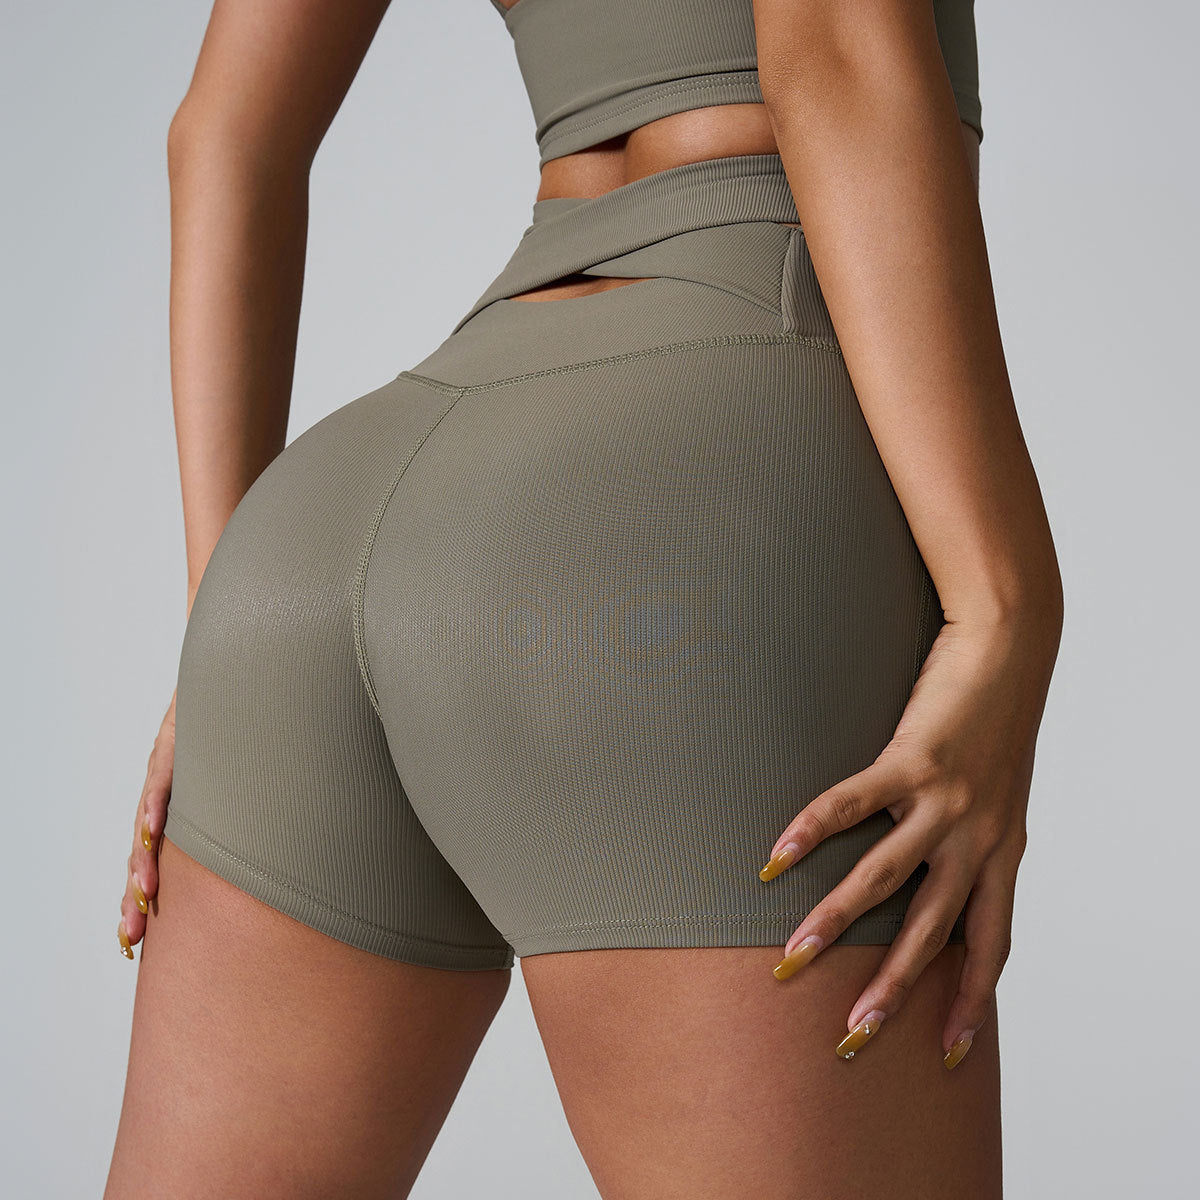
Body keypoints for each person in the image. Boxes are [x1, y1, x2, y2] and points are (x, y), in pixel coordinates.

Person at [106, 1, 1062, 1196]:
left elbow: (225, 133)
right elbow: (829, 40)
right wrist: (1003, 604)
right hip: (693, 484)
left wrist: (215, 634)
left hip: (330, 516)